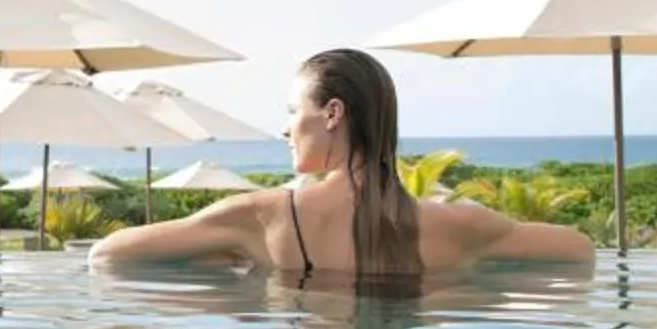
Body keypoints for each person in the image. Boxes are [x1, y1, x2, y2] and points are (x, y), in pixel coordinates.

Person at [88, 47, 594, 282]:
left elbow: (107, 258)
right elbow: (580, 252)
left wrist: (226, 282)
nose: (286, 129)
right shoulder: (460, 227)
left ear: (332, 113)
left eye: (292, 112)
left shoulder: (263, 217)